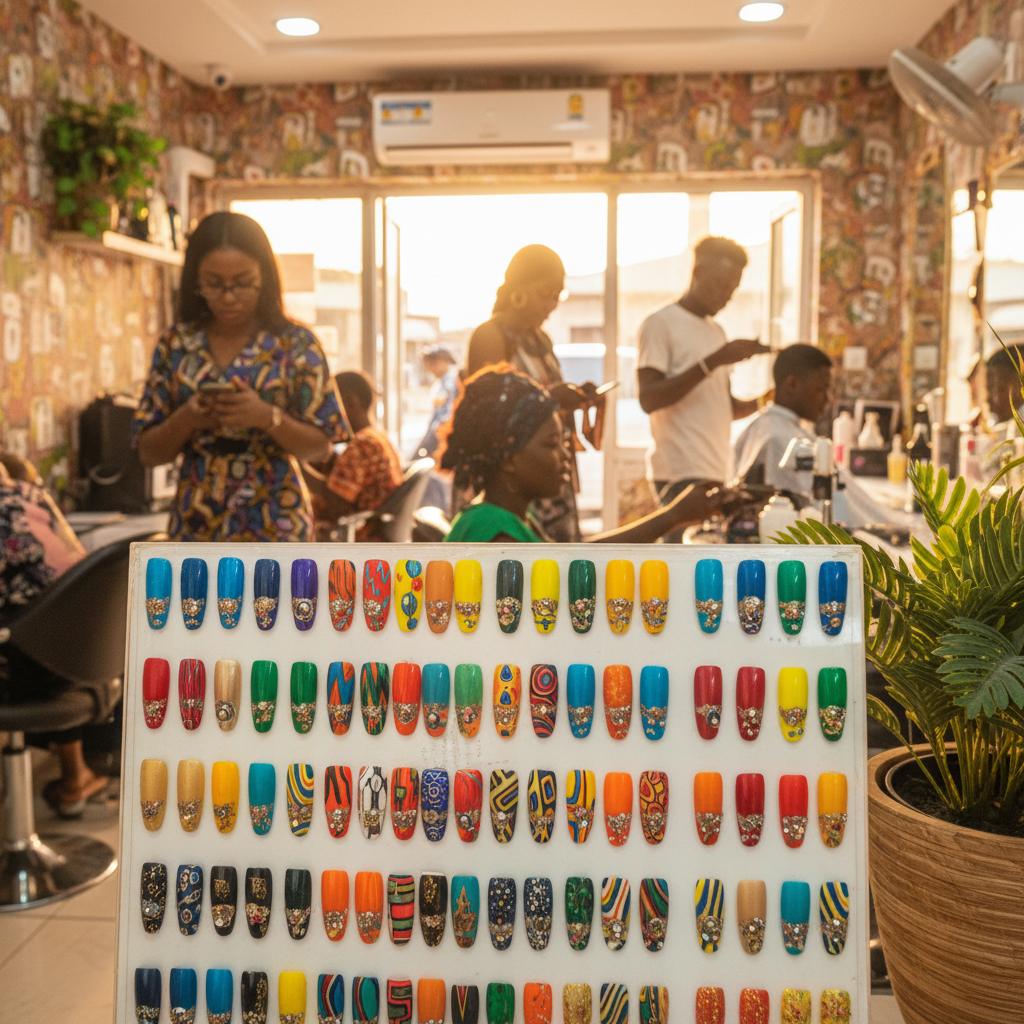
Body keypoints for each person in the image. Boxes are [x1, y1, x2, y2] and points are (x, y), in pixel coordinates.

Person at [133, 211, 348, 542]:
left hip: (276, 519)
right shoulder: (176, 345)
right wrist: (187, 419)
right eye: (214, 284)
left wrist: (267, 418)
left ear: (266, 277)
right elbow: (148, 453)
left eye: (244, 283)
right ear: (195, 281)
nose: (229, 296)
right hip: (198, 521)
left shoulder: (296, 344)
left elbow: (321, 448)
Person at [441, 364, 734, 543]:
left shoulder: (512, 517)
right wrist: (672, 516)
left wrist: (674, 515)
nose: (567, 454)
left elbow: (573, 559)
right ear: (509, 458)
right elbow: (572, 568)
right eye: (551, 444)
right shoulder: (495, 532)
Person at [465, 244, 604, 542]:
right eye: (546, 294)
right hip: (516, 475)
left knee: (558, 568)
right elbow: (489, 409)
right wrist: (552, 397)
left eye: (558, 296)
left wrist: (574, 396)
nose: (552, 305)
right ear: (520, 290)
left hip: (544, 467)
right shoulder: (491, 336)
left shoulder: (541, 340)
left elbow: (542, 400)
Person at [0, 457, 109, 817]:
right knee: (40, 623)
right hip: (86, 656)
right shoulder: (30, 496)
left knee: (23, 631)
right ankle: (75, 776)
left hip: (30, 671)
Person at [637, 236, 770, 526]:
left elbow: (727, 408)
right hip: (679, 472)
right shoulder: (660, 323)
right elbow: (648, 399)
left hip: (714, 469)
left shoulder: (716, 331)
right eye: (722, 286)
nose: (727, 296)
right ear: (697, 272)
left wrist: (769, 398)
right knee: (684, 563)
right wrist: (713, 361)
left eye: (733, 290)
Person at [306, 370, 404, 541]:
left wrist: (297, 465)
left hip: (361, 537)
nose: (326, 414)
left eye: (329, 406)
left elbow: (333, 504)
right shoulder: (377, 437)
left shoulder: (362, 445)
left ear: (351, 403)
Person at [733, 343, 833, 493]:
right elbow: (810, 502)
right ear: (792, 385)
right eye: (820, 389)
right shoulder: (778, 439)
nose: (827, 399)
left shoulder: (765, 428)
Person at [415, 345, 460, 458]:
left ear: (442, 361)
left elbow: (442, 418)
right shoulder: (444, 382)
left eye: (431, 363)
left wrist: (424, 448)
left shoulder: (449, 383)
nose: (428, 368)